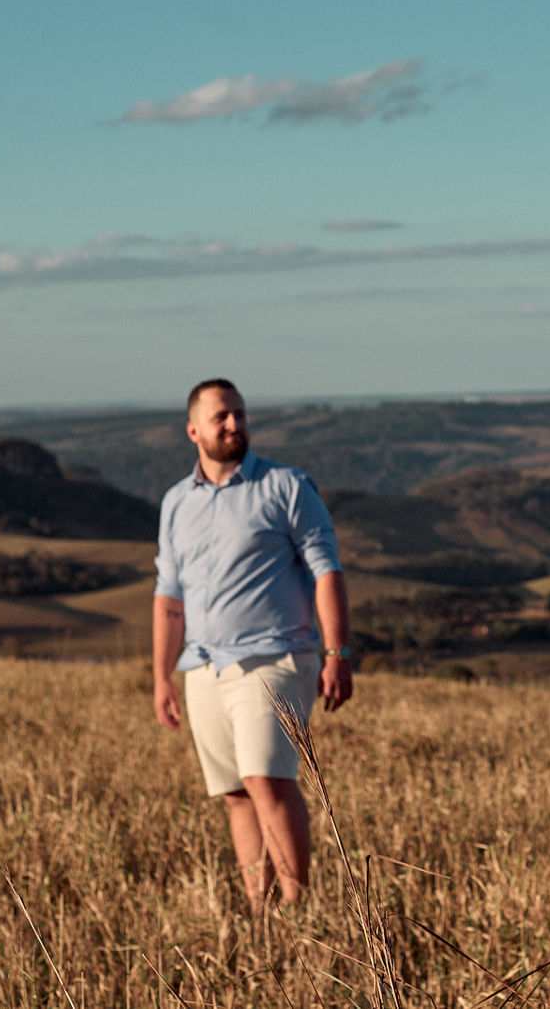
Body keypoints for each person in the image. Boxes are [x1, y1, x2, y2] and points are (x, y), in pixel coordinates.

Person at [152, 378, 355, 906]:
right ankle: (261, 911)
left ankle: (298, 909)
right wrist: (161, 676)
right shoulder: (176, 503)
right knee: (236, 795)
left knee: (265, 780)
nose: (234, 424)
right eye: (221, 416)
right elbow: (169, 596)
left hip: (276, 657)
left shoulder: (287, 487)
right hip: (203, 666)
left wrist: (337, 653)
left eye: (239, 414)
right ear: (193, 429)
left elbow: (325, 571)